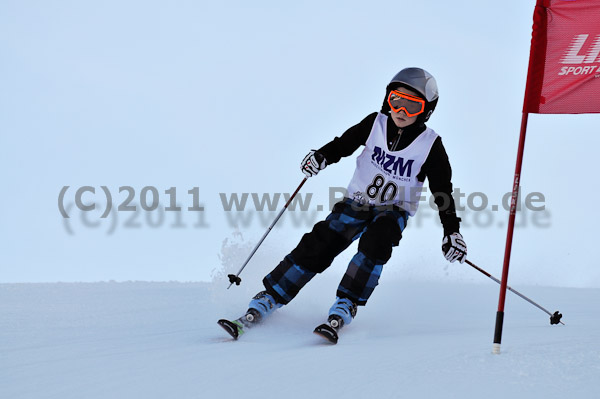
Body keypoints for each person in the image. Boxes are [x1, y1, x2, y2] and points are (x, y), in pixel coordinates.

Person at [223, 67, 467, 337]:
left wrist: (451, 232)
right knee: (321, 241)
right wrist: (321, 157)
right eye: (396, 101)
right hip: (357, 202)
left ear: (426, 110)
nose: (401, 111)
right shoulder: (375, 124)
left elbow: (442, 191)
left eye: (412, 105)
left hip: (393, 210)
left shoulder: (431, 145)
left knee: (378, 240)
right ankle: (271, 296)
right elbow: (342, 145)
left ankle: (346, 302)